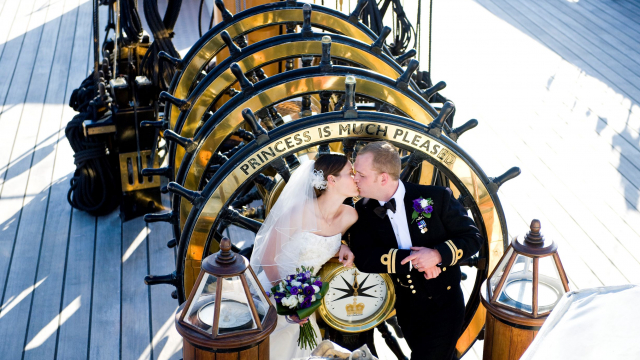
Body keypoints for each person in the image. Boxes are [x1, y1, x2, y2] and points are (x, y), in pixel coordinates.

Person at [347, 141, 483, 360]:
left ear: (383, 178)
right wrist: (416, 260)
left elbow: (472, 238)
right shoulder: (364, 211)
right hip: (408, 309)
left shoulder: (436, 198)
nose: (355, 179)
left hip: (444, 304)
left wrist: (437, 255)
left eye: (361, 174)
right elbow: (364, 257)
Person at [251, 154, 359, 360]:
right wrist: (288, 301)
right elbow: (267, 257)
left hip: (305, 298)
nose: (356, 178)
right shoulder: (297, 213)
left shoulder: (349, 216)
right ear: (332, 180)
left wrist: (343, 247)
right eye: (350, 173)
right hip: (274, 292)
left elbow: (322, 245)